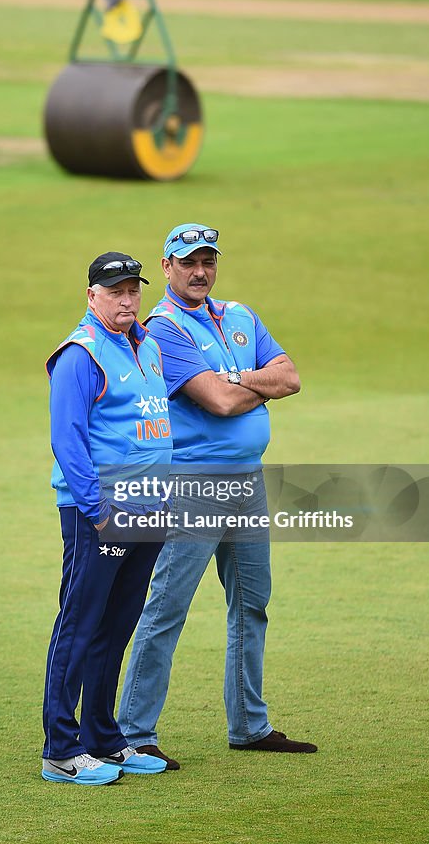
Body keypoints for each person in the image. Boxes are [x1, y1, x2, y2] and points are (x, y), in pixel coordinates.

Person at [118, 224, 317, 767]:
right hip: (192, 485)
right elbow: (219, 403)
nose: (199, 271)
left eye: (207, 260)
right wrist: (253, 382)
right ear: (167, 266)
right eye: (188, 262)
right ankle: (133, 732)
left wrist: (238, 380)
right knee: (167, 607)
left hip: (247, 482)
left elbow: (292, 376)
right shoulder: (160, 327)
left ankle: (250, 726)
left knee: (253, 604)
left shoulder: (241, 316)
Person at [41, 251, 172, 786]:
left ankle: (103, 738)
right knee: (80, 624)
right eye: (114, 291)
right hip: (99, 514)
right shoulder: (81, 354)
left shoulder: (148, 345)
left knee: (116, 625)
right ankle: (61, 750)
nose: (126, 300)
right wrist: (97, 511)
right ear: (92, 295)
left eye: (132, 290)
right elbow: (67, 439)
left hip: (149, 508)